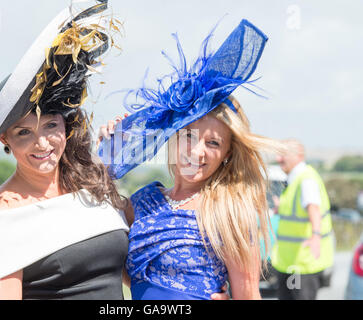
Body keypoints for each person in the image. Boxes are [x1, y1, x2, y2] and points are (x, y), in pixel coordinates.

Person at [0, 1, 131, 300]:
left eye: (50, 125)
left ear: (66, 126)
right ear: (4, 139)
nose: (42, 143)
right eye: (24, 132)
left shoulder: (94, 188)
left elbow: (134, 276)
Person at [98, 19, 283, 299]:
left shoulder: (228, 212)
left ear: (227, 155)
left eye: (213, 143)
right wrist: (111, 147)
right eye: (188, 136)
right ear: (173, 136)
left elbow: (248, 295)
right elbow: (127, 273)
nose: (196, 152)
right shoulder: (142, 202)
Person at [271, 139, 334, 300]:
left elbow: (313, 207)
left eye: (283, 155)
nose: (279, 159)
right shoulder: (295, 179)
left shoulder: (305, 179)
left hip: (302, 264)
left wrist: (316, 235)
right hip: (291, 262)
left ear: (298, 156)